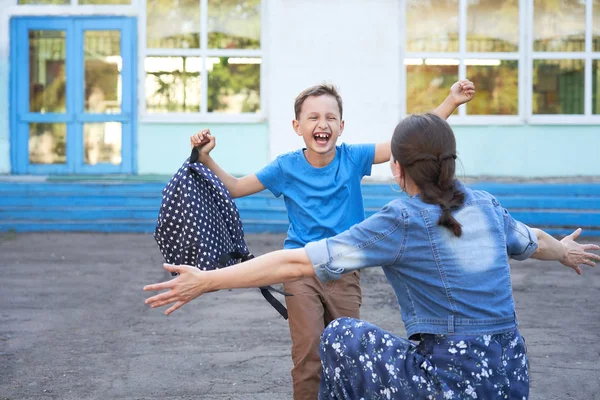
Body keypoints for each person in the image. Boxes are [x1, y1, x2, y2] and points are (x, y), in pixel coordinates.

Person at [145, 113, 599, 399]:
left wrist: (208, 278)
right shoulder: (485, 204)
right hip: (510, 380)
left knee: (342, 336)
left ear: (396, 169)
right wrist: (565, 252)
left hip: (449, 383)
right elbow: (533, 240)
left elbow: (297, 262)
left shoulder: (402, 219)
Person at [186, 81, 474, 399]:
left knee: (349, 354)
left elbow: (410, 142)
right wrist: (205, 158)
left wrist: (451, 100)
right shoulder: (285, 166)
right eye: (312, 118)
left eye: (330, 117)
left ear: (341, 126)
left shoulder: (353, 158)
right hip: (299, 271)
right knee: (309, 355)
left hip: (344, 271)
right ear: (297, 126)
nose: (322, 124)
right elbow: (236, 188)